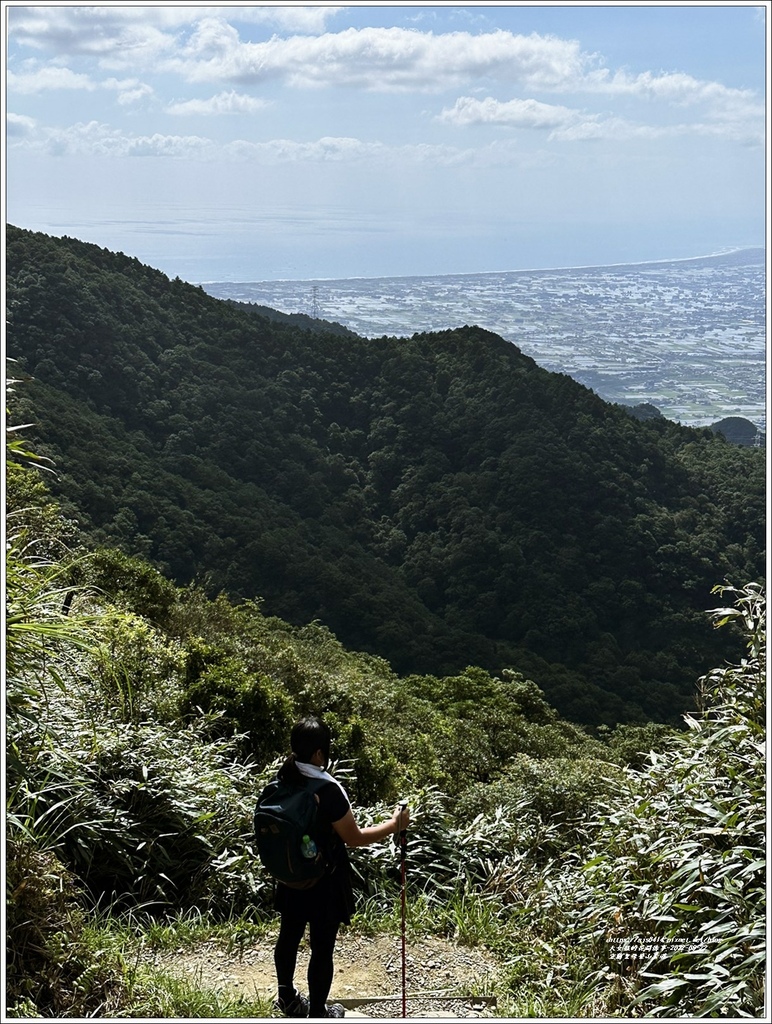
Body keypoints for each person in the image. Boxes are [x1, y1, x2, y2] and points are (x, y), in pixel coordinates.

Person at [273, 716, 410, 1019]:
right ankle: (319, 1012)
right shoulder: (328, 789)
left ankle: (286, 999)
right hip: (323, 880)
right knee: (321, 947)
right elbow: (354, 838)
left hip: (289, 876)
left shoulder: (282, 778)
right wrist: (393, 824)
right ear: (319, 754)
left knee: (289, 936)